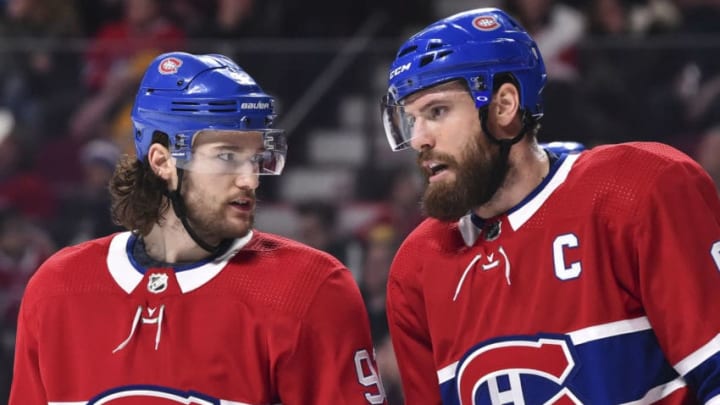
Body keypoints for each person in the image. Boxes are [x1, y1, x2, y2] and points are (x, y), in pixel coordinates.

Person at [380, 8, 720, 404]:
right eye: (410, 119)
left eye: (437, 111)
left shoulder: (636, 192)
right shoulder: (418, 266)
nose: (419, 138)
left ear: (505, 105)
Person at [10, 51, 386, 405]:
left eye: (255, 158)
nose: (249, 180)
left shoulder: (310, 289)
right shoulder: (58, 289)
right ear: (162, 161)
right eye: (227, 155)